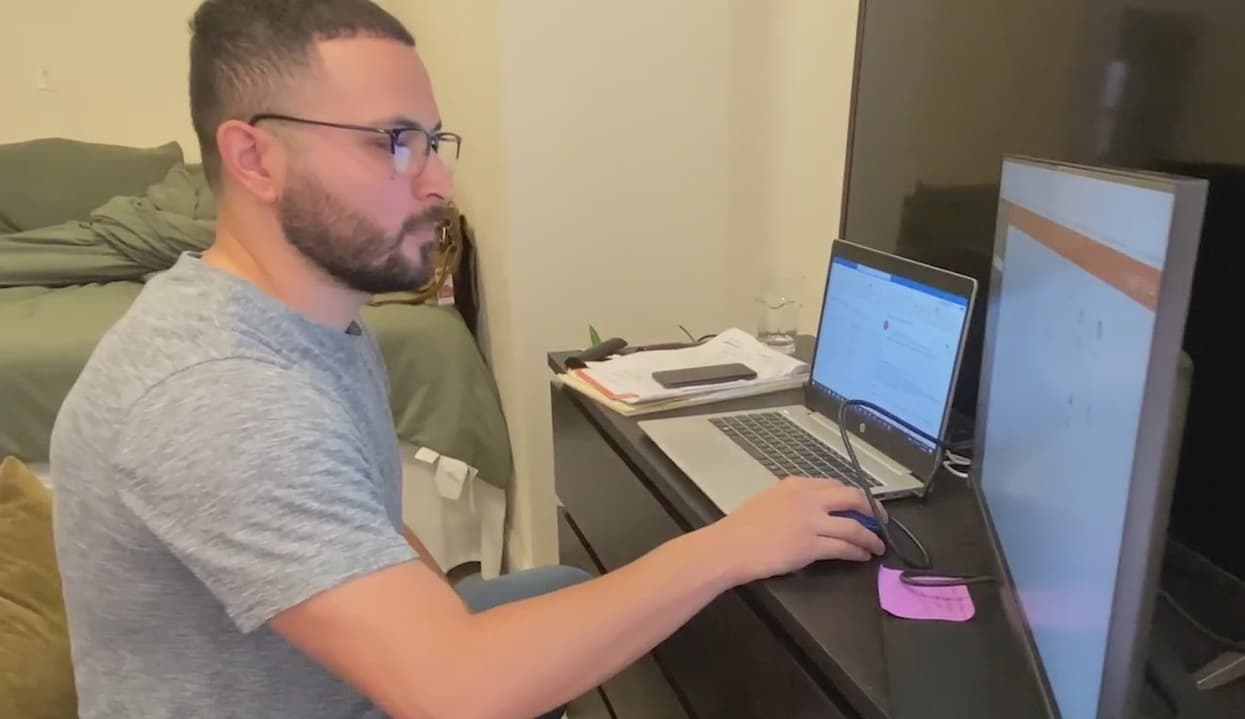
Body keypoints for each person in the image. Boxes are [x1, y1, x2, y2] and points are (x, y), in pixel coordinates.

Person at [48, 1, 887, 718]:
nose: (439, 182)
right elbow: (456, 692)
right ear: (254, 158)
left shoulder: (316, 322)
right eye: (395, 141)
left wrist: (430, 618)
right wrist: (730, 543)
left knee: (569, 590)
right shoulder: (221, 395)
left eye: (433, 139)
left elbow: (368, 519)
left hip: (352, 681)